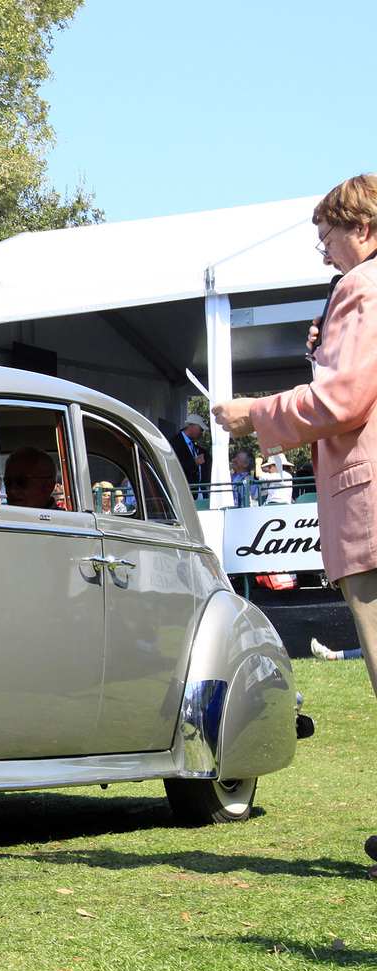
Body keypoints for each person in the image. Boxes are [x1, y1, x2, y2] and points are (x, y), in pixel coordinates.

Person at [211, 174, 377, 877]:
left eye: (328, 237)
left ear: (362, 229)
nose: (324, 254)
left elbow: (346, 397)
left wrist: (258, 415)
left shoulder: (363, 287)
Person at [170, 413, 211, 492]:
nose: (201, 432)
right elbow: (175, 465)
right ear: (192, 426)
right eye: (200, 429)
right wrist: (194, 463)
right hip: (184, 490)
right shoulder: (175, 442)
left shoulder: (193, 445)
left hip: (198, 490)